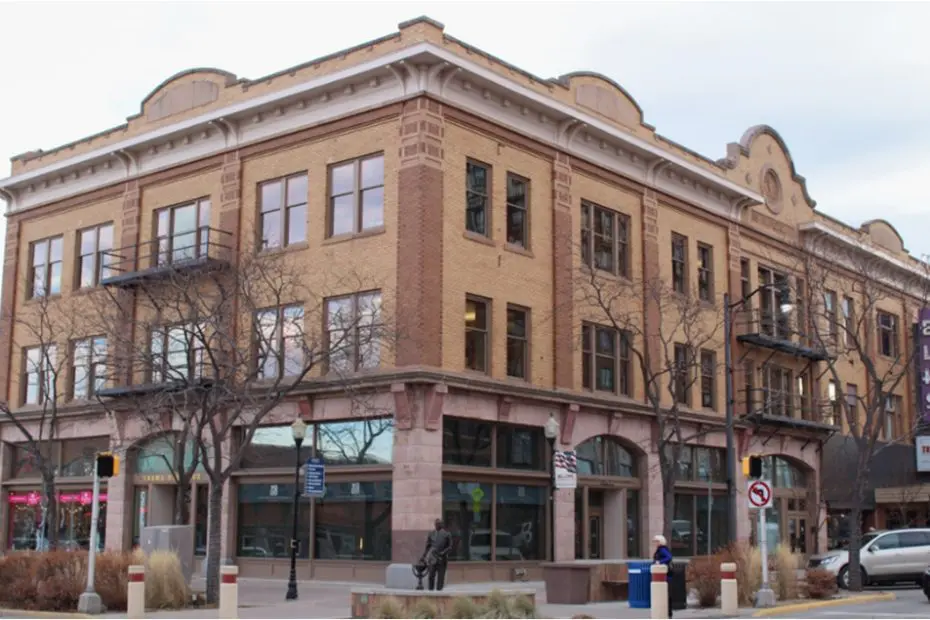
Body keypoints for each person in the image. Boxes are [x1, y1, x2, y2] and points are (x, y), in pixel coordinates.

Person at [421, 518, 452, 591]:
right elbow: (427, 546)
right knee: (431, 576)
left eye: (438, 524)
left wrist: (443, 552)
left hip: (442, 559)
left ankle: (439, 592)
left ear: (442, 525)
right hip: (432, 558)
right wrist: (424, 556)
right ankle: (430, 591)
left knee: (440, 578)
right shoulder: (431, 534)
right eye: (436, 524)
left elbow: (450, 546)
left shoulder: (447, 534)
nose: (437, 525)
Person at [653, 534, 674, 617]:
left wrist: (660, 562)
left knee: (666, 594)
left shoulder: (662, 549)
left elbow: (669, 557)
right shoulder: (660, 549)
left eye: (656, 541)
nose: (655, 543)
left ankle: (668, 612)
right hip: (664, 575)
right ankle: (668, 612)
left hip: (665, 575)